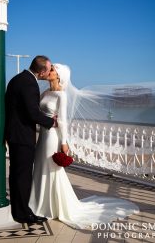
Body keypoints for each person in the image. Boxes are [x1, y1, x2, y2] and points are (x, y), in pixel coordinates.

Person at [29, 63, 139, 229]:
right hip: (43, 135)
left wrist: (64, 142)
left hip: (52, 137)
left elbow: (63, 121)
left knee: (50, 168)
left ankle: (50, 206)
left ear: (59, 75)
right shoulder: (46, 92)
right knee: (40, 167)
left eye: (52, 70)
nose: (48, 71)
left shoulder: (61, 95)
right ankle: (39, 203)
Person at [5, 55, 57, 224]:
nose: (49, 73)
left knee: (16, 174)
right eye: (48, 70)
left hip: (14, 134)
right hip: (22, 136)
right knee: (23, 176)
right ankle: (23, 213)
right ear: (42, 71)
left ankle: (17, 209)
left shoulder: (16, 79)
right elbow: (32, 113)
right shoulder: (29, 83)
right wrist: (51, 121)